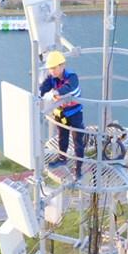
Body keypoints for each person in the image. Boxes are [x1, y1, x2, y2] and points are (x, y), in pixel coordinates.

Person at [40, 50, 84, 180]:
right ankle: (62, 158)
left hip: (75, 113)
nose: (52, 71)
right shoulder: (51, 78)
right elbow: (44, 87)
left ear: (62, 65)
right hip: (61, 113)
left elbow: (69, 88)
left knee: (78, 141)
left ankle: (78, 168)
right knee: (62, 137)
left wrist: (54, 93)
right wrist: (38, 93)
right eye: (50, 68)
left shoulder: (72, 77)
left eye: (54, 68)